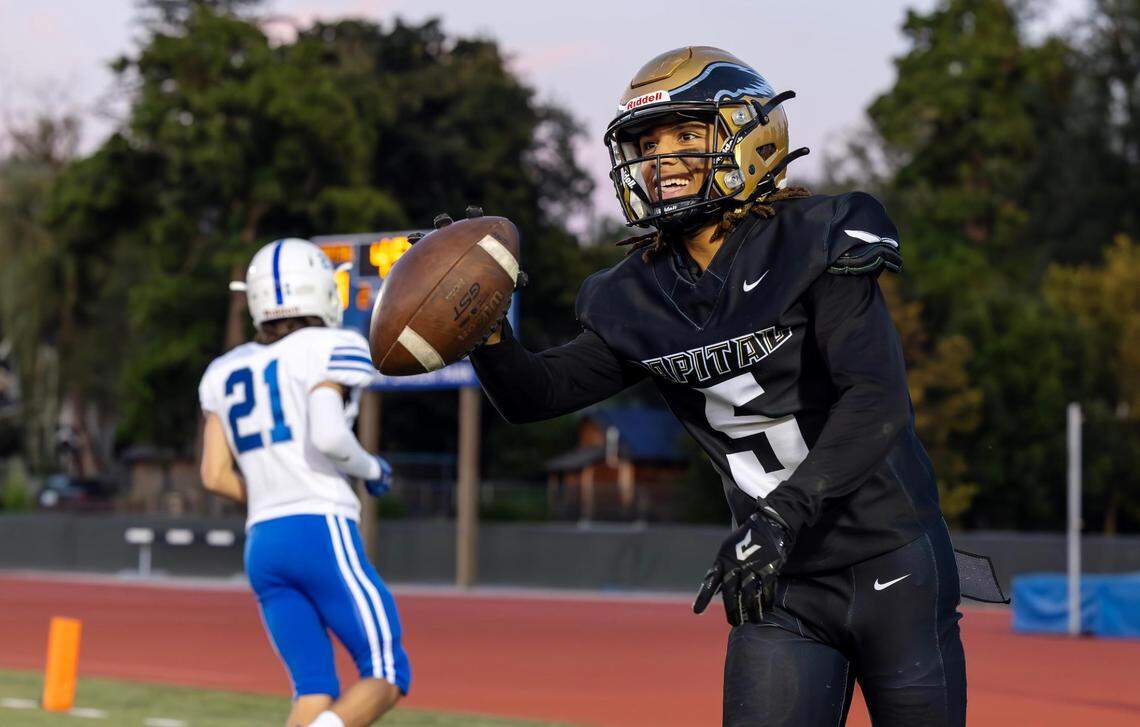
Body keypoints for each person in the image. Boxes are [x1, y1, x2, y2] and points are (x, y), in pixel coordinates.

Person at [470, 47, 966, 726]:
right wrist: (484, 330)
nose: (662, 156)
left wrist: (781, 515)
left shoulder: (816, 237)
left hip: (891, 559)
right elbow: (534, 396)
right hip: (776, 580)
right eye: (647, 143)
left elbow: (876, 402)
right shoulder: (636, 294)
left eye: (685, 134)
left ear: (746, 132)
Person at [198, 238, 410, 727]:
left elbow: (213, 474)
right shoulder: (335, 345)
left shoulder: (223, 370)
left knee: (313, 690)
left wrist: (274, 492)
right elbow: (330, 435)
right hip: (319, 526)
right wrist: (373, 469)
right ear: (320, 290)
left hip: (263, 542)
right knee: (387, 671)